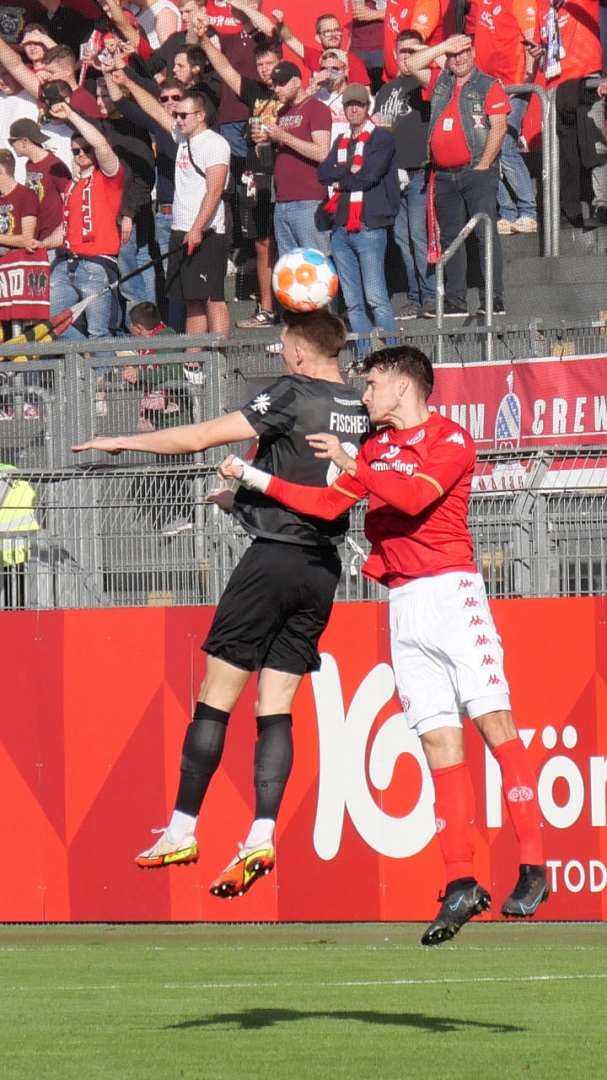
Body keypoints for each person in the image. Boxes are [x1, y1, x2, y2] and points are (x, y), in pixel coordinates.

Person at [221, 343, 549, 944]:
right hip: (403, 602)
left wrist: (353, 464)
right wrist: (252, 476)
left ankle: (532, 865)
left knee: (493, 722)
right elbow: (327, 503)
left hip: (453, 594)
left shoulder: (450, 439)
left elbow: (415, 497)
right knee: (437, 742)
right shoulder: (374, 449)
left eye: (372, 384)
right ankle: (461, 881)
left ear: (402, 384)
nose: (365, 394)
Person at [72, 308, 370, 899]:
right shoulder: (361, 408)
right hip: (321, 569)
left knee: (215, 699)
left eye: (282, 345)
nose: (280, 353)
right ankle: (260, 837)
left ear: (300, 353)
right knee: (276, 708)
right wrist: (242, 501)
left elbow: (198, 437)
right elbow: (317, 487)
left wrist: (122, 440)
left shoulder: (291, 391)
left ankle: (181, 830)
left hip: (271, 562)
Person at [408, 34, 510, 317]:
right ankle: (455, 299)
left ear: (473, 53)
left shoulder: (489, 85)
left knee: (484, 234)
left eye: (464, 51)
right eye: (454, 54)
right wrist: (442, 47)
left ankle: (493, 298)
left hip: (476, 171)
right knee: (450, 238)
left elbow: (499, 127)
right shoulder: (440, 82)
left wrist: (483, 165)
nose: (459, 58)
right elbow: (410, 65)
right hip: (443, 175)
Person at [195, 23, 282, 327]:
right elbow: (225, 69)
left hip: (284, 179)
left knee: (285, 243)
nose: (265, 69)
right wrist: (204, 40)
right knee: (262, 244)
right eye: (260, 64)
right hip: (256, 178)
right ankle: (267, 309)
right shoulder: (255, 92)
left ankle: (295, 308)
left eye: (270, 63)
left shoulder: (292, 94)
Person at [318, 82, 398, 346]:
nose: (354, 110)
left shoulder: (381, 138)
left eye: (359, 105)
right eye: (349, 105)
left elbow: (369, 176)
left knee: (376, 297)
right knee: (353, 302)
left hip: (369, 226)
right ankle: (364, 355)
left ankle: (391, 354)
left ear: (367, 107)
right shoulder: (341, 141)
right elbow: (323, 173)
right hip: (341, 228)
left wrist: (340, 181)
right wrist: (348, 171)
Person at [47, 99, 124, 345]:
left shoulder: (108, 176)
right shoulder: (72, 185)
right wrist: (39, 243)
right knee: (53, 327)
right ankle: (84, 359)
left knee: (99, 332)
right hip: (66, 263)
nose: (81, 154)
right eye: (75, 151)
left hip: (97, 263)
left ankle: (102, 366)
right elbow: (66, 228)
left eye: (85, 149)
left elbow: (101, 143)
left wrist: (70, 114)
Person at [373, 30, 435, 319]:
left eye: (414, 51)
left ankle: (430, 295)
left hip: (419, 171)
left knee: (419, 236)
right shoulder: (386, 90)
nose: (407, 57)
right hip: (391, 175)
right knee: (401, 241)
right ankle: (414, 296)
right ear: (395, 54)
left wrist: (426, 57)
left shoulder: (426, 81)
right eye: (403, 52)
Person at [471, 0, 538, 235]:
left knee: (506, 147)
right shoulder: (481, 3)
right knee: (486, 150)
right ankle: (508, 213)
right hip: (487, 88)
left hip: (513, 86)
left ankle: (528, 212)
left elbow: (531, 41)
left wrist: (526, 82)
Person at [262, 59, 332, 258]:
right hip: (282, 200)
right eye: (275, 84)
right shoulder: (282, 111)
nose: (277, 89)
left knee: (315, 262)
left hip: (308, 200)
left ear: (297, 82)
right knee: (290, 266)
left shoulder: (316, 109)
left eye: (282, 84)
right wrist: (267, 143)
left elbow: (322, 153)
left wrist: (284, 137)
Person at [8, 117, 72, 255]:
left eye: (12, 142)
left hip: (54, 241)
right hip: (37, 239)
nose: (11, 146)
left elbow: (70, 202)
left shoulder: (55, 166)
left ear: (24, 141)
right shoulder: (29, 165)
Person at [272, 10, 372, 88]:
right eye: (327, 32)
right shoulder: (314, 57)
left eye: (337, 30)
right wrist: (281, 24)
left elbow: (365, 94)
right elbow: (289, 39)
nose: (333, 35)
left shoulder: (354, 61)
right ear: (318, 38)